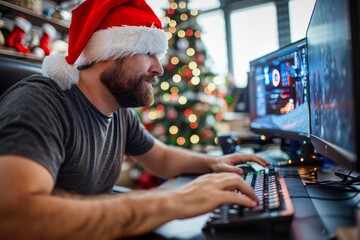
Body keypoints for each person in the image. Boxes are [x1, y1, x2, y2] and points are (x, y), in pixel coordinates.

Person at [0, 0, 269, 239]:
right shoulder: (41, 102)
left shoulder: (119, 112)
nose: (159, 69)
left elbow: (161, 158)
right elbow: (13, 217)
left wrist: (214, 163)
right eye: (148, 52)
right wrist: (169, 202)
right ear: (108, 53)